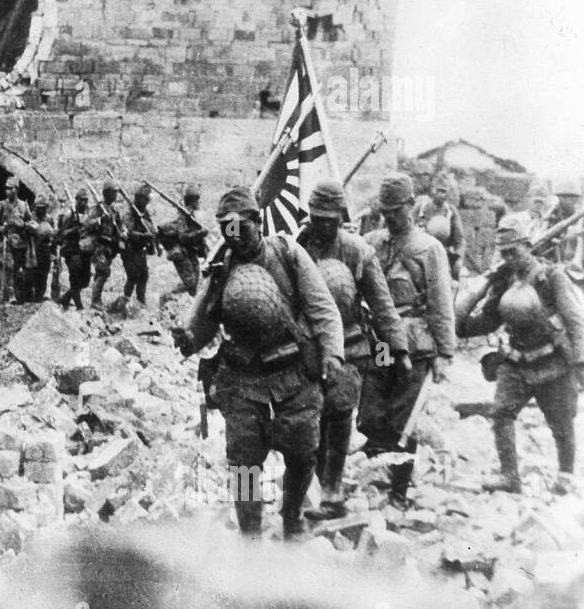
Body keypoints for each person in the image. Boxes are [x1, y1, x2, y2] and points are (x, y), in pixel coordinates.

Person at [172, 187, 344, 538]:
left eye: (241, 228)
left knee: (302, 453)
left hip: (293, 371)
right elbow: (206, 322)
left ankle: (292, 515)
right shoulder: (221, 269)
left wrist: (333, 353)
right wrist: (189, 338)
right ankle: (250, 532)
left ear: (258, 222)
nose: (234, 236)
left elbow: (322, 307)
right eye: (226, 229)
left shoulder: (288, 254)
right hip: (243, 378)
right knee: (245, 462)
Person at [299, 180, 409, 519]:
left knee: (339, 415)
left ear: (341, 216)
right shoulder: (297, 247)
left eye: (330, 219)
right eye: (317, 217)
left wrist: (399, 350)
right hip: (307, 345)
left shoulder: (358, 251)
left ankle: (332, 495)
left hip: (350, 345)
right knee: (309, 420)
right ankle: (316, 486)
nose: (323, 225)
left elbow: (382, 305)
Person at [460, 214, 584, 496]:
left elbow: (575, 320)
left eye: (513, 252)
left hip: (553, 361)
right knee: (501, 413)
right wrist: (471, 302)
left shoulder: (552, 277)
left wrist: (580, 362)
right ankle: (509, 476)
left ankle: (565, 475)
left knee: (561, 421)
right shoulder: (504, 281)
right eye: (503, 253)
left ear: (528, 246)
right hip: (516, 361)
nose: (509, 258)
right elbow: (488, 321)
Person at [357, 172, 457, 510]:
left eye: (396, 210)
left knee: (404, 418)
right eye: (385, 211)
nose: (390, 217)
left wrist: (445, 352)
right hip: (384, 343)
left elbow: (442, 304)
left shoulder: (430, 249)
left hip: (415, 346)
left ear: (412, 205)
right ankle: (383, 471)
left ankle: (398, 494)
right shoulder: (371, 241)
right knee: (372, 413)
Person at [112, 184, 158, 311]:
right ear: (138, 198)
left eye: (147, 199)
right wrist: (143, 236)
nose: (146, 201)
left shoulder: (144, 214)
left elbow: (152, 228)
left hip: (140, 250)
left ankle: (140, 302)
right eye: (144, 199)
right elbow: (127, 231)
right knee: (133, 276)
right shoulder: (129, 213)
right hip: (129, 249)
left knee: (143, 275)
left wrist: (151, 240)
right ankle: (124, 302)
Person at [159, 182, 209, 294]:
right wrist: (201, 233)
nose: (199, 202)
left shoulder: (190, 215)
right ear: (193, 201)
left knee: (195, 283)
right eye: (198, 200)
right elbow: (183, 237)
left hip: (190, 252)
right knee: (191, 284)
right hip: (181, 254)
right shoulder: (183, 216)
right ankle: (167, 297)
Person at [413, 174, 466, 279]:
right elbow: (408, 226)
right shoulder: (421, 208)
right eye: (438, 190)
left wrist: (459, 259)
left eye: (444, 191)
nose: (441, 195)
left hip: (441, 256)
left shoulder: (450, 211)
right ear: (432, 190)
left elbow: (460, 241)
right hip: (419, 255)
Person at [0, 176, 32, 304]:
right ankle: (9, 295)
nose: (8, 191)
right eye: (6, 188)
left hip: (20, 242)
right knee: (8, 266)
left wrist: (25, 225)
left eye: (11, 188)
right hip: (5, 240)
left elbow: (30, 221)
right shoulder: (1, 205)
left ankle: (19, 296)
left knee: (17, 269)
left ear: (17, 189)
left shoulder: (24, 205)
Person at [86, 182, 125, 310]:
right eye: (113, 192)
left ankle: (96, 300)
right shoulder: (98, 208)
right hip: (98, 245)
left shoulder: (114, 211)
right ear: (106, 193)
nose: (115, 194)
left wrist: (123, 232)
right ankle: (95, 301)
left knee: (101, 272)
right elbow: (87, 224)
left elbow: (120, 226)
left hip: (109, 247)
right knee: (103, 271)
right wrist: (99, 220)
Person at [57, 191, 92, 310]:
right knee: (75, 279)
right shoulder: (69, 214)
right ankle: (79, 307)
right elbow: (61, 234)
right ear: (76, 200)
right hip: (71, 250)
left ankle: (65, 298)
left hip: (85, 251)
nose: (84, 202)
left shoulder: (88, 214)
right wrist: (74, 230)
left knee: (85, 280)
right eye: (81, 200)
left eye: (86, 200)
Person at [24, 195, 57, 302]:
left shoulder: (49, 219)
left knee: (43, 276)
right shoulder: (30, 217)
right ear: (35, 207)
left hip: (44, 250)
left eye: (43, 207)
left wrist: (53, 252)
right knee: (30, 275)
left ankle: (40, 298)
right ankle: (29, 299)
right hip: (32, 249)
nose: (41, 210)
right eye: (39, 207)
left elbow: (53, 238)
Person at [543, 178, 583, 265]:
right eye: (570, 197)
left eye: (575, 197)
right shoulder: (552, 215)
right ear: (561, 198)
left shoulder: (578, 215)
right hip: (553, 260)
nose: (574, 201)